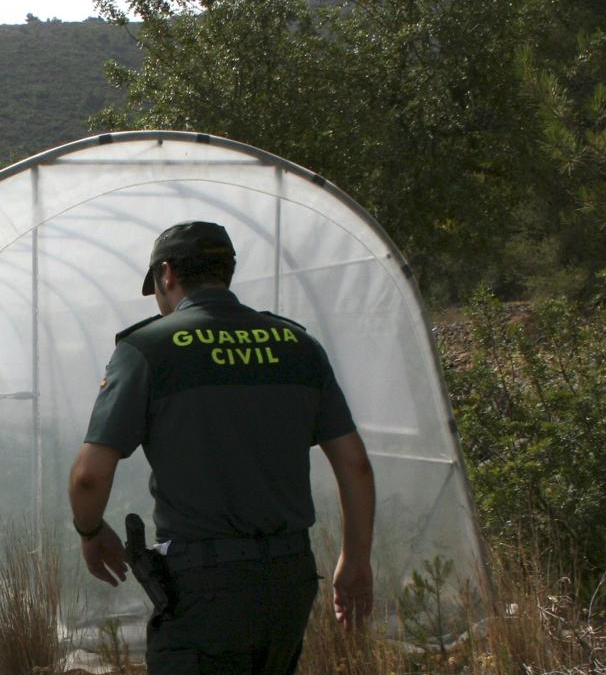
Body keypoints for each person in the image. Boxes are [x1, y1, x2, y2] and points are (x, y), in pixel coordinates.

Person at [67, 221, 376, 673]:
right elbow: (356, 466)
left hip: (204, 589)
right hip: (290, 579)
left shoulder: (149, 348)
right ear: (226, 271)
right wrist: (355, 559)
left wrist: (90, 532)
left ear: (167, 274)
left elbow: (89, 475)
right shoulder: (298, 345)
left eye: (155, 284)